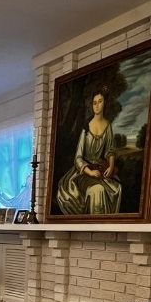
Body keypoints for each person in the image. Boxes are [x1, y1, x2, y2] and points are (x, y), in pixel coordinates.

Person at [56, 86, 122, 215]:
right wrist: (90, 173)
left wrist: (111, 165)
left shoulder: (108, 126)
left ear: (105, 103)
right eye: (94, 103)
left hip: (101, 169)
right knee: (97, 190)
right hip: (84, 172)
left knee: (116, 188)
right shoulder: (86, 126)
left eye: (100, 101)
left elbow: (110, 150)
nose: (97, 106)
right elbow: (78, 157)